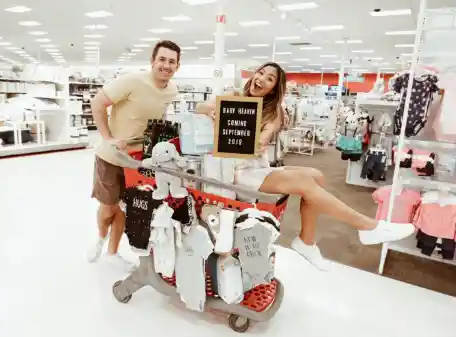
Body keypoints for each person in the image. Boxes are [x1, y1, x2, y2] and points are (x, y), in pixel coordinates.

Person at [196, 62, 415, 271]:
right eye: (261, 73)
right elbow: (199, 106)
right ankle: (367, 226)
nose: (261, 78)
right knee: (303, 182)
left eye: (270, 78)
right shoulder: (234, 97)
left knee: (317, 176)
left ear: (274, 89)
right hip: (236, 170)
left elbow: (262, 141)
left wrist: (256, 140)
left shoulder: (274, 112)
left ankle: (306, 241)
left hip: (257, 165)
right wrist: (212, 111)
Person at [87, 40, 181, 269]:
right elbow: (98, 103)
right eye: (162, 59)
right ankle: (100, 238)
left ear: (177, 66)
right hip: (111, 156)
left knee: (124, 207)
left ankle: (112, 252)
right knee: (108, 206)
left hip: (140, 160)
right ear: (152, 61)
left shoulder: (172, 90)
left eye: (172, 61)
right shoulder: (132, 81)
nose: (166, 65)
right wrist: (108, 138)